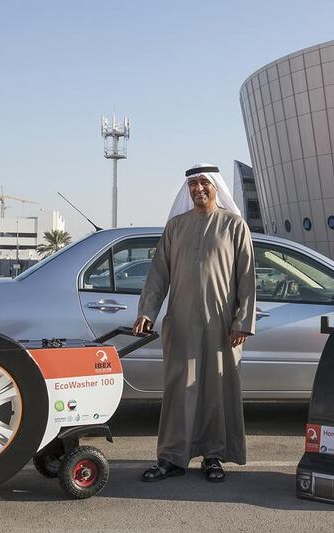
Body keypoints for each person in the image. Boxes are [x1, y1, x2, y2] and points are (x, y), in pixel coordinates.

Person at [133, 163, 256, 483]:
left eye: (205, 183)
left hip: (222, 327)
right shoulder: (175, 227)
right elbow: (158, 274)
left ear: (216, 186)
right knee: (179, 393)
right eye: (193, 184)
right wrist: (147, 311)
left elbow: (247, 279)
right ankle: (171, 457)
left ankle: (214, 455)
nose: (198, 188)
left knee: (216, 391)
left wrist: (243, 321)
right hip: (183, 325)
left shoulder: (234, 225)